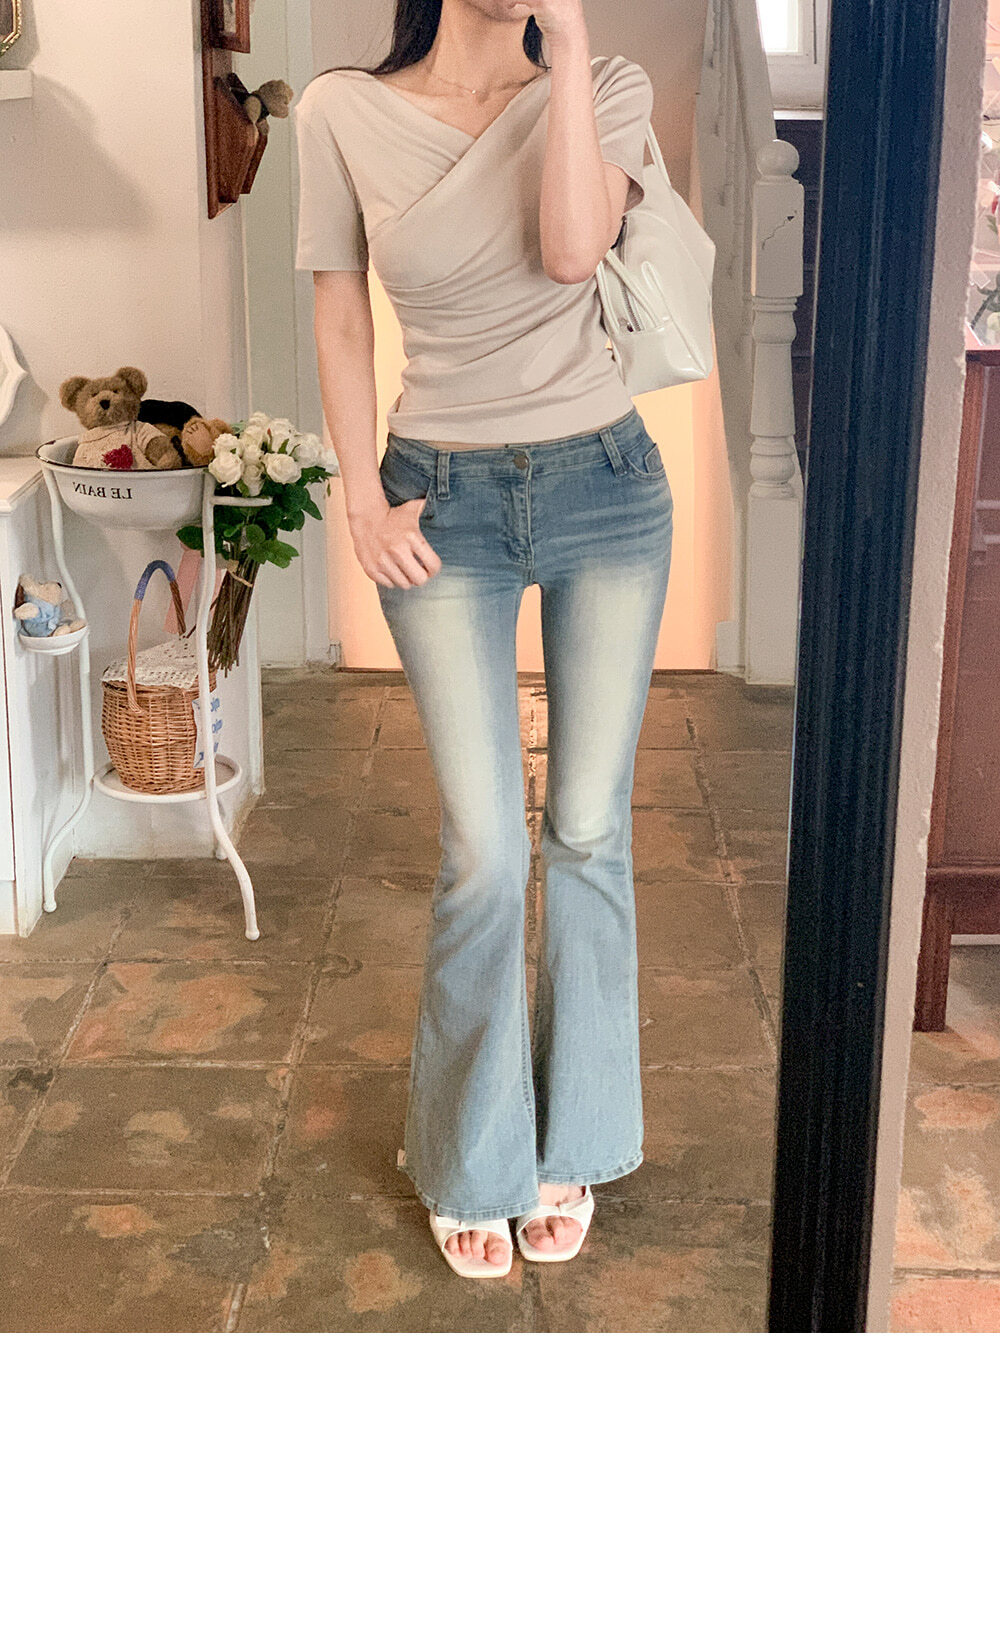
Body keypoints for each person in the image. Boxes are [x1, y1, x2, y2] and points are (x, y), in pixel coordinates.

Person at [293, 0, 673, 1278]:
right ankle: (471, 1155)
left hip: (604, 483)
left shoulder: (603, 86)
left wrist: (566, 49)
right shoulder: (341, 110)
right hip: (438, 499)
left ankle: (577, 1141)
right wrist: (358, 494)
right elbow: (341, 311)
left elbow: (570, 254)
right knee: (483, 850)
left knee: (588, 829)